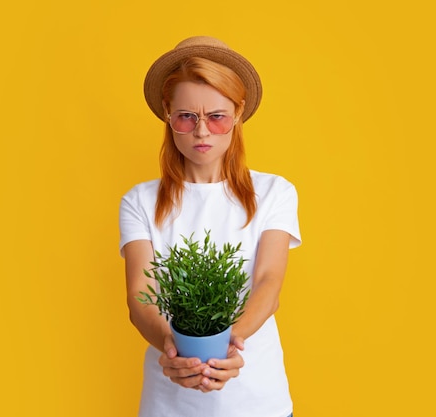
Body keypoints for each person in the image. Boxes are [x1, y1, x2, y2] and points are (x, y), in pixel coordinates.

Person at [119, 36, 301, 417]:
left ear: (238, 112)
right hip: (169, 400)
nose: (202, 132)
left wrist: (229, 345)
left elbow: (269, 283)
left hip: (257, 399)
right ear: (168, 114)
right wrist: (171, 348)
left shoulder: (274, 192)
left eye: (216, 116)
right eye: (187, 116)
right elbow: (141, 296)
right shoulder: (139, 201)